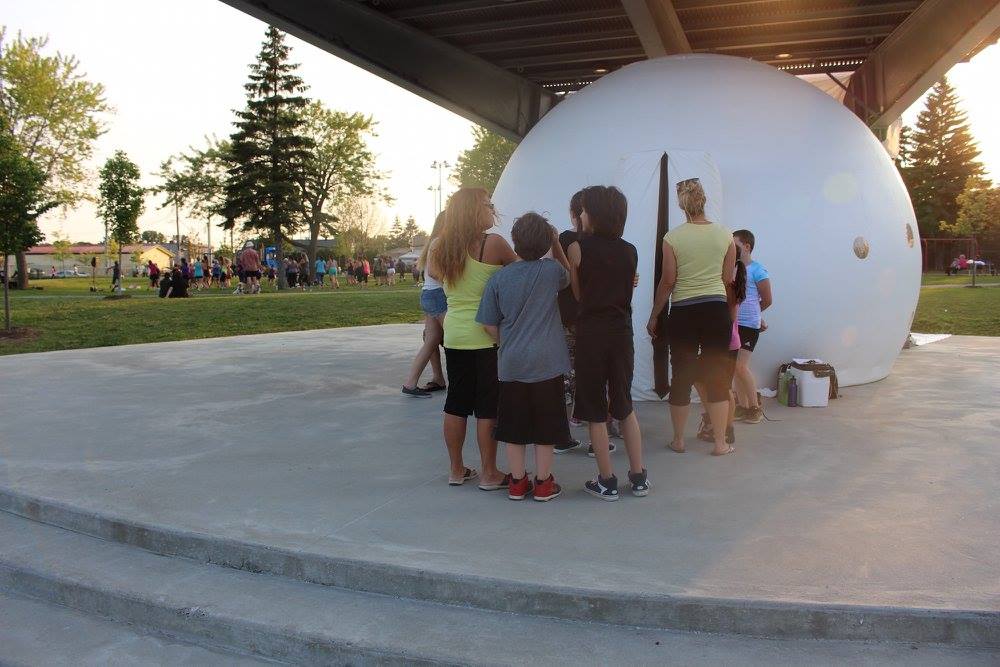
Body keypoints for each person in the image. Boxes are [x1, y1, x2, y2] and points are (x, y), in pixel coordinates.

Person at [477, 212, 572, 502]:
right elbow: (568, 277)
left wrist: (505, 343)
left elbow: (487, 322)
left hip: (512, 364)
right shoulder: (550, 271)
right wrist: (557, 243)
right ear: (545, 243)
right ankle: (543, 482)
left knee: (513, 426)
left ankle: (517, 481)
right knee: (546, 424)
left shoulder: (499, 278)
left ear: (515, 243)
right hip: (547, 363)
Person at [428, 187, 516, 490]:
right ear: (474, 211)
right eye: (488, 205)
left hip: (454, 333)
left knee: (456, 403)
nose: (492, 209)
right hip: (487, 334)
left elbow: (434, 275)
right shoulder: (494, 244)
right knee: (487, 407)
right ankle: (489, 473)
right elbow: (521, 274)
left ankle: (456, 470)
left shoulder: (440, 247)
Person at [568, 185, 649, 501]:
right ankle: (639, 476)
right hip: (621, 334)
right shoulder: (630, 250)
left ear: (594, 214)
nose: (582, 215)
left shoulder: (579, 248)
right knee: (624, 404)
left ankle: (606, 481)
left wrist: (575, 267)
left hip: (591, 335)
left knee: (594, 410)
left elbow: (578, 295)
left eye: (585, 210)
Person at [647, 178, 737, 457]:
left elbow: (668, 281)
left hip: (684, 311)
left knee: (682, 376)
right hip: (715, 310)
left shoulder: (672, 238)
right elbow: (725, 280)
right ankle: (721, 443)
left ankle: (678, 440)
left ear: (681, 205)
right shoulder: (726, 236)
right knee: (718, 376)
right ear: (703, 201)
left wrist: (654, 316)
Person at [696, 246, 748, 445]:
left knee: (723, 388)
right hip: (721, 343)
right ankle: (717, 422)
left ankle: (726, 428)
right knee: (702, 380)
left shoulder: (729, 284)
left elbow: (731, 317)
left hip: (725, 344)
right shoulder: (725, 281)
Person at [402, 213, 448, 398]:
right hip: (438, 295)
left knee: (430, 340)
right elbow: (437, 273)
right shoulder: (440, 242)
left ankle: (415, 382)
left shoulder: (434, 242)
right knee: (454, 338)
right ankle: (414, 382)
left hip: (430, 294)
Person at [732, 229, 771, 423]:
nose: (732, 249)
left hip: (749, 326)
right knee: (734, 367)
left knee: (740, 367)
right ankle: (742, 406)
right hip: (734, 324)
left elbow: (767, 299)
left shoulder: (758, 270)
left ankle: (755, 407)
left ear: (746, 247)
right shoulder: (733, 269)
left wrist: (757, 317)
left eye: (735, 245)